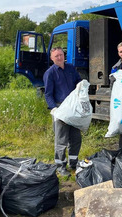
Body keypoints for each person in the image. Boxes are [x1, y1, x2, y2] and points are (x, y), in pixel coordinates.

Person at [43, 47, 82, 176]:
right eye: (56, 56)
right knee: (61, 139)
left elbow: (78, 82)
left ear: (64, 55)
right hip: (60, 109)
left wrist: (82, 85)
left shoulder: (71, 68)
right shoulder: (50, 73)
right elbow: (48, 94)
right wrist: (53, 108)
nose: (59, 58)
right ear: (52, 58)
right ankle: (60, 166)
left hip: (73, 108)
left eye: (61, 55)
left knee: (76, 138)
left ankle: (73, 163)